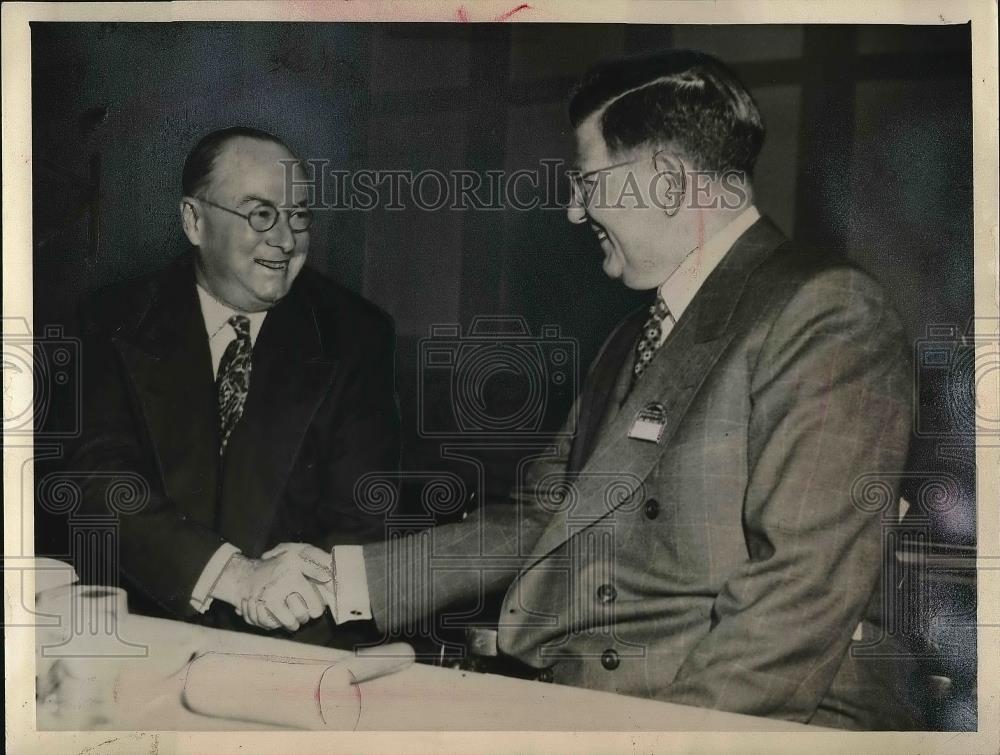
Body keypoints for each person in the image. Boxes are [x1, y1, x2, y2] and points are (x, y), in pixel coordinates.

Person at [304, 50, 919, 728]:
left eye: (586, 181)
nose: (573, 211)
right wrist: (343, 581)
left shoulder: (827, 310)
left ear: (663, 182)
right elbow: (541, 518)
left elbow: (798, 595)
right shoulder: (630, 338)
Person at [66, 127, 400, 646]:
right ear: (194, 220)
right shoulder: (111, 320)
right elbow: (99, 482)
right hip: (135, 639)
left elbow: (363, 523)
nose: (285, 240)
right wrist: (232, 576)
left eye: (298, 216)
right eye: (260, 213)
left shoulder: (357, 334)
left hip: (292, 648)